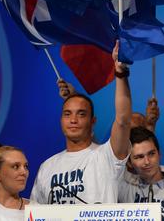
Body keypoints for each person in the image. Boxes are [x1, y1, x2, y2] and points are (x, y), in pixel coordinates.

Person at [30, 41, 132, 204]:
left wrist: (120, 73)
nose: (73, 120)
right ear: (61, 120)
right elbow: (35, 214)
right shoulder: (46, 167)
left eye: (81, 114)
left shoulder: (106, 156)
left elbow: (123, 121)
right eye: (67, 114)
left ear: (93, 122)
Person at [118, 127, 164, 221]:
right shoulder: (125, 188)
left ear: (159, 154)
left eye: (151, 154)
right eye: (139, 157)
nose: (147, 161)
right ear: (129, 163)